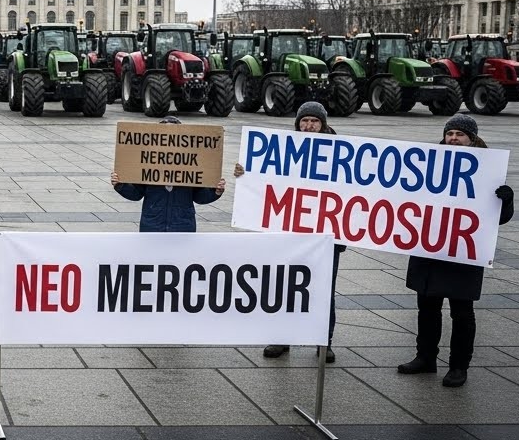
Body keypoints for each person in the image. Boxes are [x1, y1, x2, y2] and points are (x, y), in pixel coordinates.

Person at [398, 114, 514, 388]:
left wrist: (506, 201)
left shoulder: (488, 169)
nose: (453, 139)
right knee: (427, 307)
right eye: (449, 133)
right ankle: (425, 357)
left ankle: (459, 366)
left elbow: (498, 217)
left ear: (471, 139)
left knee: (462, 312)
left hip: (463, 251)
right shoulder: (430, 163)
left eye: (459, 134)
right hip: (430, 248)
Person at [235, 101, 344, 363]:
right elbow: (265, 181)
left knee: (323, 289)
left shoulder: (342, 154)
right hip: (290, 234)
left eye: (314, 121)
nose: (308, 126)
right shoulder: (284, 150)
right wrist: (244, 173)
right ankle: (281, 338)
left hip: (325, 236)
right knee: (285, 286)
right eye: (304, 121)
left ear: (323, 124)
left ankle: (323, 342)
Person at [110, 116, 226, 232]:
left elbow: (199, 197)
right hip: (152, 225)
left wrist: (215, 192)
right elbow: (136, 194)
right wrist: (121, 185)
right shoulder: (148, 164)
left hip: (182, 226)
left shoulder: (191, 166)